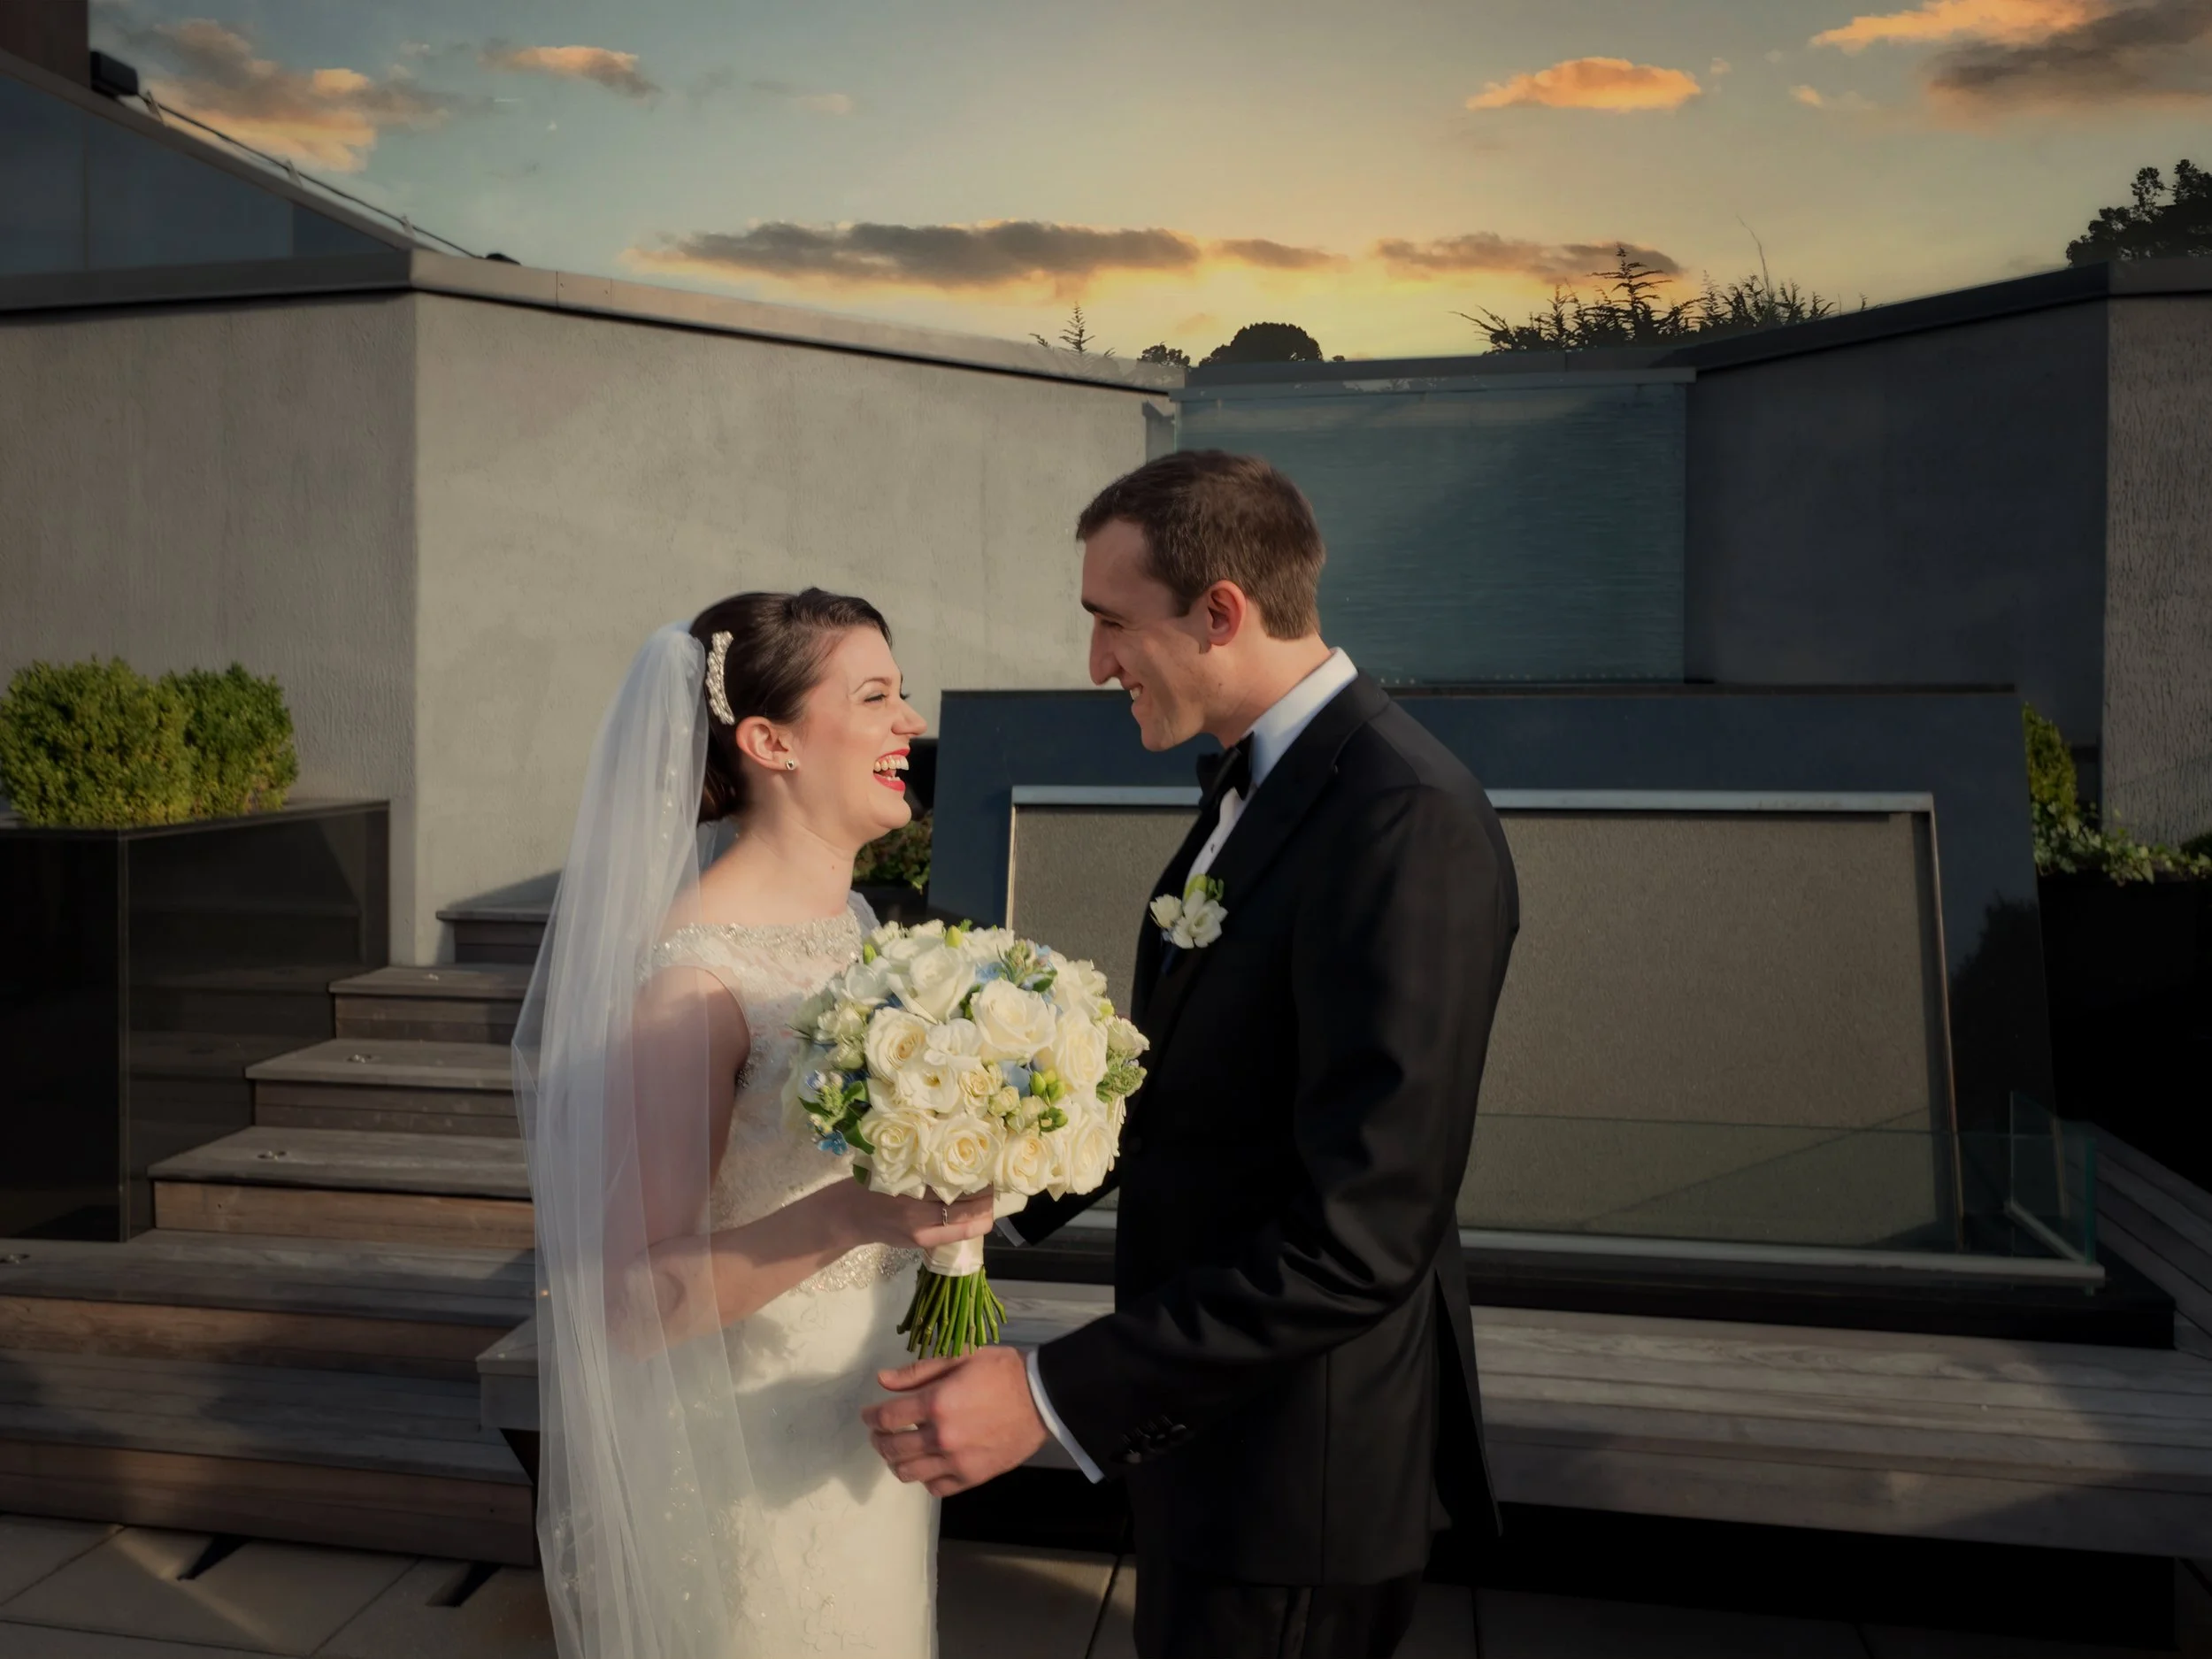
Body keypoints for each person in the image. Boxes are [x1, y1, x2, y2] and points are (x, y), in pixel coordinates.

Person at [864, 451, 1520, 1659]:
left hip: (1299, 1475)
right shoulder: (1260, 785)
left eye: (1112, 623)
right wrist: (992, 1190)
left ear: (1222, 610)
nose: (1096, 663)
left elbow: (1363, 1229)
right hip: (1218, 1444)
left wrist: (1053, 1396)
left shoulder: (1402, 818)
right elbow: (1192, 1091)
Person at [516, 590, 995, 1659]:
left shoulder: (859, 927)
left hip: (863, 1427)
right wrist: (853, 1216)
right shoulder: (694, 982)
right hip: (751, 1470)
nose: (907, 722)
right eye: (874, 696)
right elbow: (629, 1302)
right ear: (769, 740)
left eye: (901, 695)